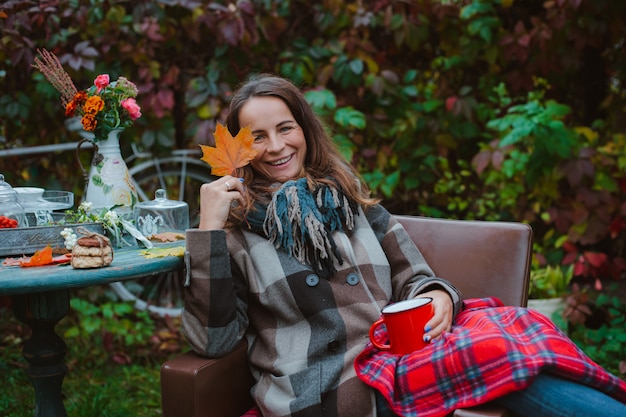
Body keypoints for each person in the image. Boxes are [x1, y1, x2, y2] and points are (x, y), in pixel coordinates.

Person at [181, 74, 626, 417]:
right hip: (327, 388)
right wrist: (208, 232)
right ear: (238, 149)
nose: (277, 146)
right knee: (500, 358)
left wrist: (436, 296)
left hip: (398, 357)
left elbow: (414, 275)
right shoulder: (231, 231)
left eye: (286, 128)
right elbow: (214, 340)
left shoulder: (346, 196)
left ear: (305, 130)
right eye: (258, 137)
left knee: (513, 342)